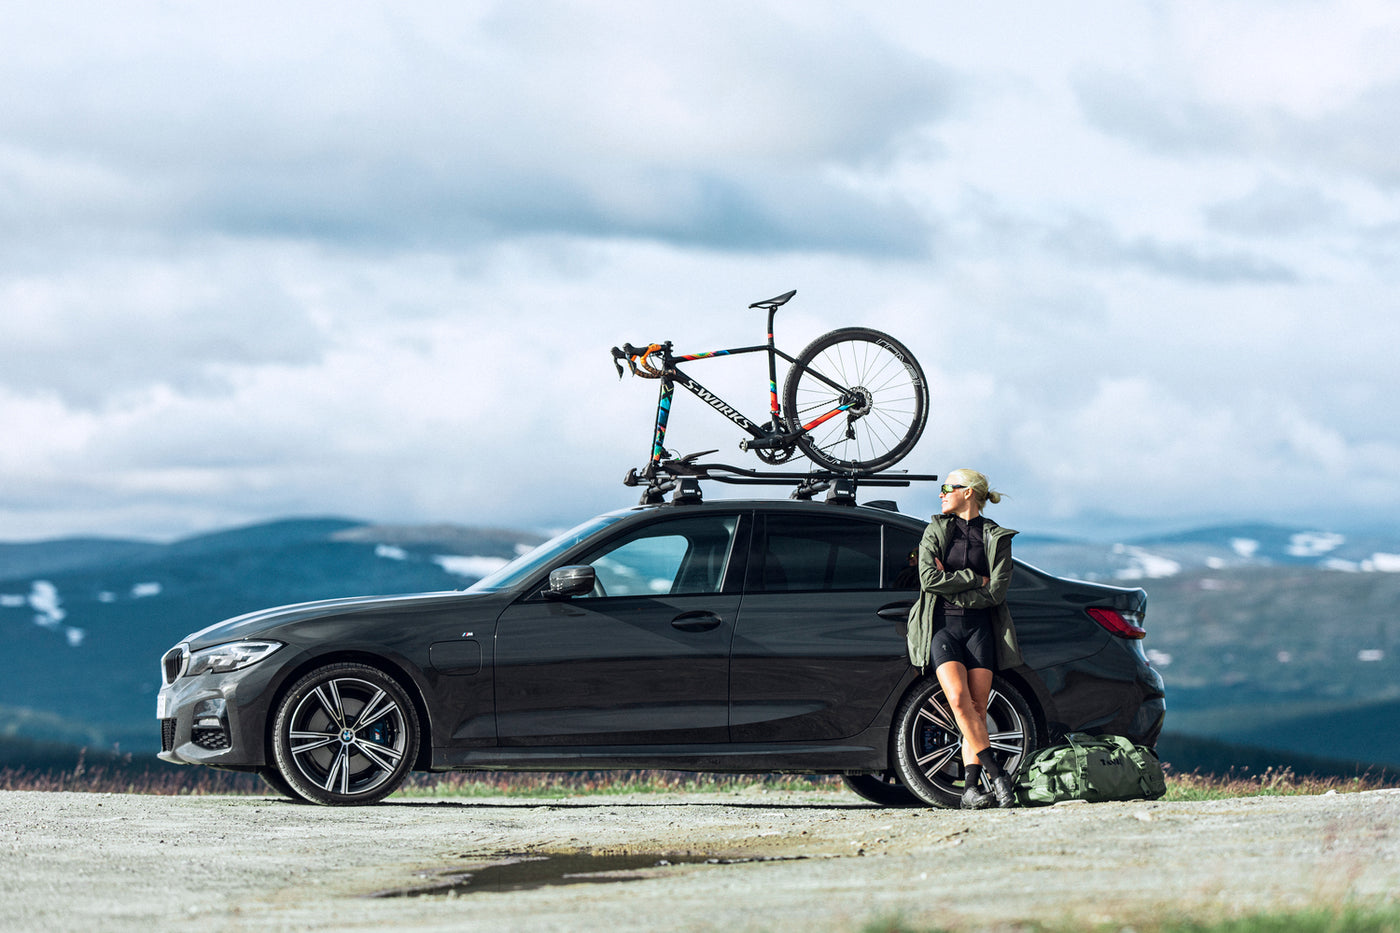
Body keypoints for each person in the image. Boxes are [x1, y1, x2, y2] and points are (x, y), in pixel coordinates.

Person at [905, 468, 1022, 809]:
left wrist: (954, 584)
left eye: (947, 488)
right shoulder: (936, 530)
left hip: (979, 630)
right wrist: (975, 579)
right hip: (942, 628)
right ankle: (998, 775)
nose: (941, 494)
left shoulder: (996, 537)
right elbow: (928, 580)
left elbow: (996, 593)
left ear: (968, 492)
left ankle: (970, 790)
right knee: (958, 700)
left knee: (976, 709)